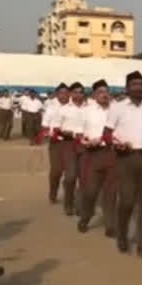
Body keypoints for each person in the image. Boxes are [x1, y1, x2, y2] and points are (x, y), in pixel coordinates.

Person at [103, 71, 142, 258]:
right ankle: (122, 235)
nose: (138, 87)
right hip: (125, 158)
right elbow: (106, 133)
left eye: (141, 84)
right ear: (127, 88)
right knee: (127, 201)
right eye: (134, 84)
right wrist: (116, 144)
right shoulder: (117, 108)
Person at [77, 79, 117, 237]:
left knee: (111, 191)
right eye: (100, 92)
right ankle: (85, 217)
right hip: (92, 154)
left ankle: (110, 224)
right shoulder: (86, 111)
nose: (104, 95)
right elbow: (79, 133)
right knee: (90, 191)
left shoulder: (116, 110)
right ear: (94, 95)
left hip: (112, 153)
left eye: (106, 92)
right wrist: (85, 142)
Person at [56, 82, 87, 216]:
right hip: (69, 144)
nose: (78, 94)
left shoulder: (91, 108)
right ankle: (68, 203)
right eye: (75, 92)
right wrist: (71, 133)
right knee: (71, 176)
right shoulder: (63, 109)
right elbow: (58, 129)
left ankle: (80, 205)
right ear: (71, 93)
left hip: (87, 145)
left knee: (84, 177)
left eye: (80, 92)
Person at [37, 83, 70, 203]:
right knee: (56, 171)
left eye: (67, 93)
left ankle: (69, 199)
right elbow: (45, 126)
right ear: (57, 94)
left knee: (71, 173)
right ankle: (53, 192)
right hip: (56, 142)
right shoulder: (51, 108)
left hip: (72, 142)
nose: (64, 95)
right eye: (61, 93)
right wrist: (50, 133)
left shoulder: (74, 107)